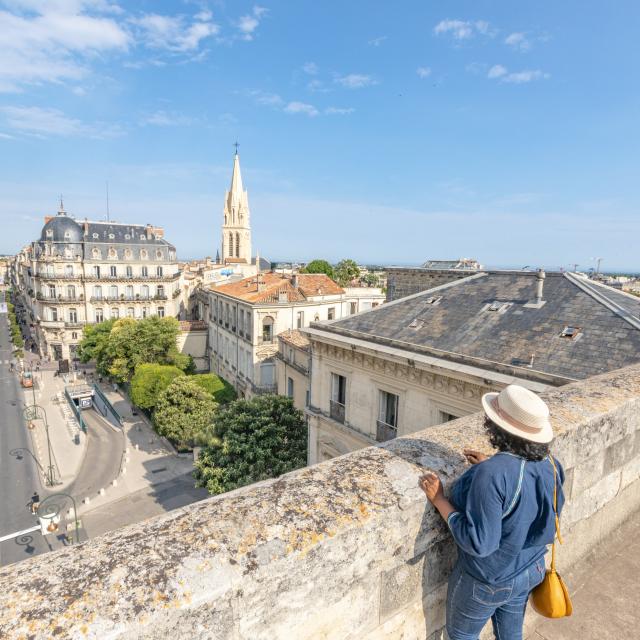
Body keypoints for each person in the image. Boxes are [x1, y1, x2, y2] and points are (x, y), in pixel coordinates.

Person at [420, 385, 564, 640]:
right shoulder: (552, 463)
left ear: (498, 427)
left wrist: (440, 499)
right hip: (532, 568)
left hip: (490, 580)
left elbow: (480, 544)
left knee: (462, 636)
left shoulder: (493, 475)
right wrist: (493, 463)